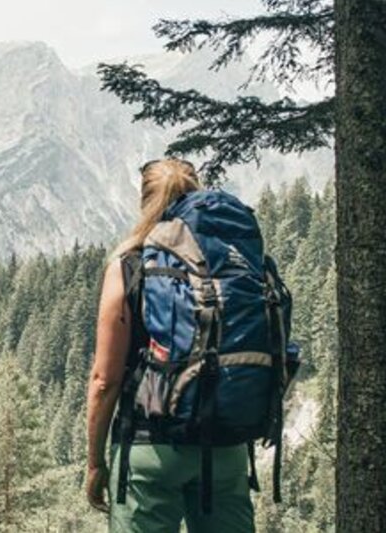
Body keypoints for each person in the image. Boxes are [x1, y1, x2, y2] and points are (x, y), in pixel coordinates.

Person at [84, 158, 256, 533]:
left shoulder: (130, 264)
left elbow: (104, 379)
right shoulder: (232, 263)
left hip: (150, 446)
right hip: (225, 446)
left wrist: (95, 462)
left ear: (145, 201)